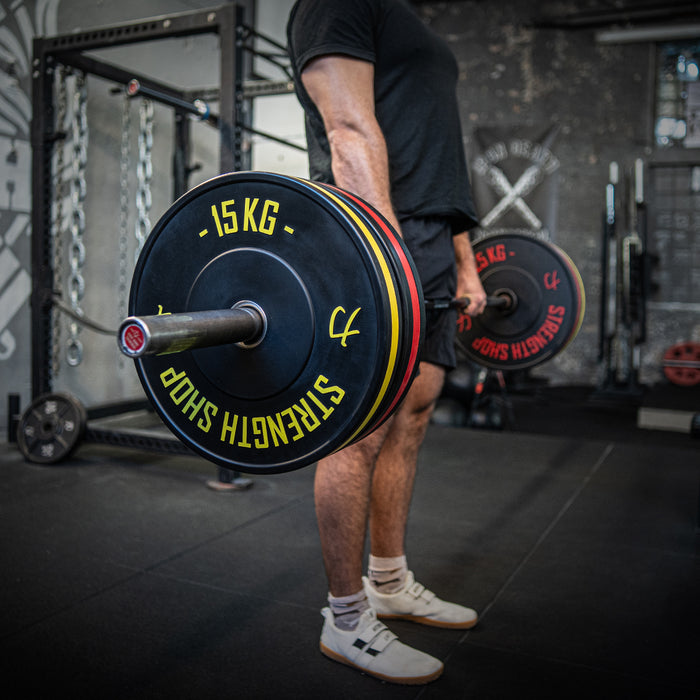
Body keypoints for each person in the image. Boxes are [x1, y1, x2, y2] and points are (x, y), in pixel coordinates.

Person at [286, 0, 487, 684]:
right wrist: (385, 253)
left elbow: (443, 159)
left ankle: (389, 583)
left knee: (415, 413)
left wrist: (464, 260)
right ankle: (345, 620)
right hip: (375, 234)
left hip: (429, 233)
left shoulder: (412, 21)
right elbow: (347, 129)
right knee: (363, 428)